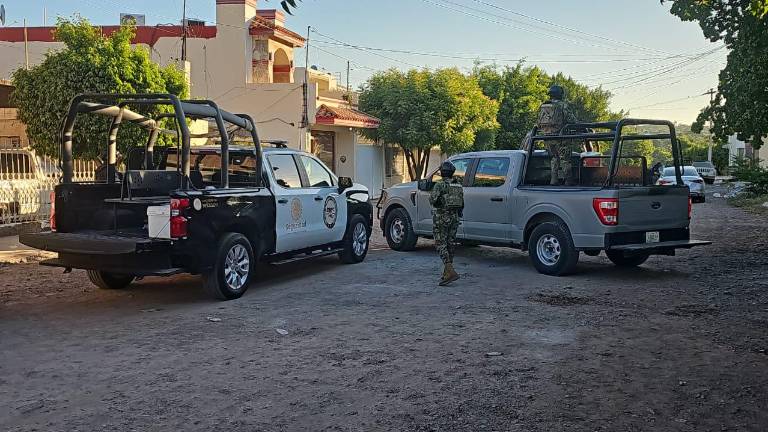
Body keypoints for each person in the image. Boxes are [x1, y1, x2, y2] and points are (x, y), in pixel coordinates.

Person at [429, 161, 464, 286]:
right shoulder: (458, 185)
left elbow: (432, 200)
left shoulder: (440, 185)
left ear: (442, 172)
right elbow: (462, 203)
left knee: (440, 243)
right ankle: (447, 272)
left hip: (442, 217)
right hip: (455, 218)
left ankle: (449, 270)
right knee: (450, 243)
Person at [536, 85, 579, 185]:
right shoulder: (563, 105)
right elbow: (572, 120)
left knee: (554, 158)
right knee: (565, 159)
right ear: (560, 94)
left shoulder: (544, 106)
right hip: (561, 137)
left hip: (548, 137)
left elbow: (538, 122)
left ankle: (553, 180)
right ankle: (568, 181)